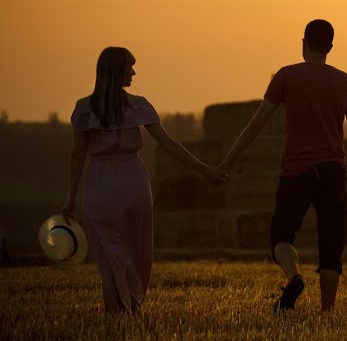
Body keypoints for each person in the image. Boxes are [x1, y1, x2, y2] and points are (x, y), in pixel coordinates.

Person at [64, 47, 228, 313]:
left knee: (109, 254)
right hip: (134, 182)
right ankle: (130, 304)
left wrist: (71, 197)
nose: (133, 72)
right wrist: (205, 170)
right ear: (116, 71)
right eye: (129, 67)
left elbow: (77, 157)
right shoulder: (138, 105)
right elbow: (168, 144)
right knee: (134, 251)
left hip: (100, 184)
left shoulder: (84, 108)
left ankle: (116, 314)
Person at [218, 19, 347, 314]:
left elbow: (255, 125)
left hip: (296, 171)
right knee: (331, 246)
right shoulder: (346, 81)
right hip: (334, 171)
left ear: (303, 43)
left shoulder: (286, 76)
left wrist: (225, 163)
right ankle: (326, 313)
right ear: (331, 47)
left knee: (282, 236)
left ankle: (294, 276)